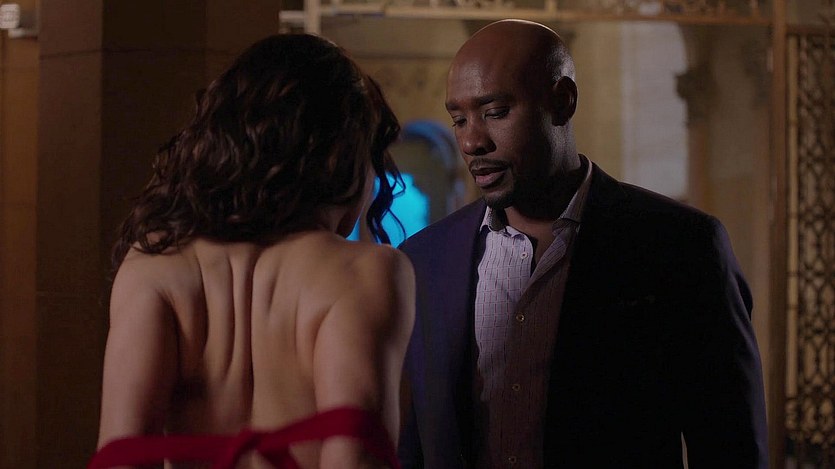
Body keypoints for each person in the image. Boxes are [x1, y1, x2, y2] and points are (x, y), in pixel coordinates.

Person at [397, 19, 768, 468]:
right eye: (459, 120)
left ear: (562, 101)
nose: (472, 141)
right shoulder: (425, 261)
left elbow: (730, 445)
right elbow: (413, 445)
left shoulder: (680, 247)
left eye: (495, 112)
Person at [90, 33, 414, 469]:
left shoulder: (151, 264)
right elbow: (355, 459)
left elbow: (121, 459)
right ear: (342, 154)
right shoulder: (365, 273)